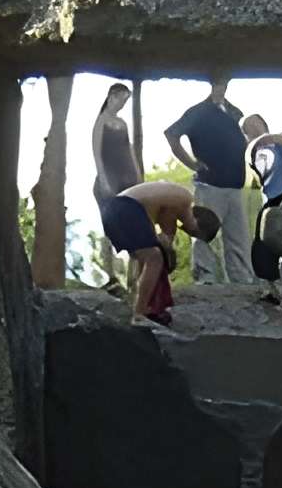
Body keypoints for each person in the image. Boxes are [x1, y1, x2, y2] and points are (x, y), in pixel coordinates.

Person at [164, 73, 255, 287]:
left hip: (235, 184)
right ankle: (205, 279)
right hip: (210, 184)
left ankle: (242, 280)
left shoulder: (234, 112)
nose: (220, 88)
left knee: (238, 237)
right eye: (217, 84)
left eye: (224, 84)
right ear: (211, 85)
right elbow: (171, 134)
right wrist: (192, 163)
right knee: (204, 232)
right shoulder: (198, 112)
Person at [98, 176, 216, 326]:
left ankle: (141, 303)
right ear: (199, 223)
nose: (189, 232)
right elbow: (168, 236)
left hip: (113, 210)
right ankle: (139, 313)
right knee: (154, 257)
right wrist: (168, 250)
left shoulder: (173, 203)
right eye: (195, 234)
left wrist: (168, 249)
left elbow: (165, 235)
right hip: (126, 208)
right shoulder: (185, 198)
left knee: (147, 257)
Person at [247, 116, 282, 304]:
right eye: (248, 127)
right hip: (274, 196)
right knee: (264, 240)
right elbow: (255, 153)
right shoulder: (253, 149)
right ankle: (269, 285)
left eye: (256, 124)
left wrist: (275, 139)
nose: (253, 128)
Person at [89, 81, 141, 198]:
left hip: (129, 177)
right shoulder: (101, 121)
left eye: (125, 102)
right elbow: (96, 153)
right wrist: (103, 180)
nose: (122, 104)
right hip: (110, 178)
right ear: (112, 97)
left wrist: (138, 174)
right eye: (121, 100)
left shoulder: (123, 123)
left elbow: (130, 149)